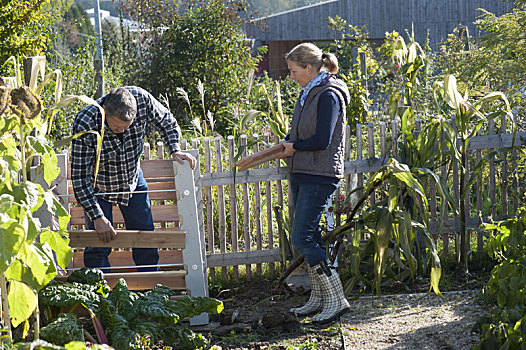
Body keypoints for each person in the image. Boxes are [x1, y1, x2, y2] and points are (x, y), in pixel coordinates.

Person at [71, 86, 196, 272]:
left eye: (126, 127)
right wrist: (97, 216)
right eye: (116, 127)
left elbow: (167, 122)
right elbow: (80, 177)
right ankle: (99, 296)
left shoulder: (142, 99)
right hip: (99, 186)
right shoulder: (86, 122)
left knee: (145, 238)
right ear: (105, 110)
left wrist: (174, 148)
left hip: (133, 181)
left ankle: (151, 290)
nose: (121, 131)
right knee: (98, 245)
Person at [276, 43, 351, 324]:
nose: (291, 76)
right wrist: (288, 144)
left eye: (294, 71)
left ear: (309, 68)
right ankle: (320, 299)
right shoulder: (309, 92)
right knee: (310, 236)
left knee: (302, 237)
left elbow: (322, 140)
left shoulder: (329, 94)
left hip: (320, 174)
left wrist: (294, 146)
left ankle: (337, 300)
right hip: (303, 171)